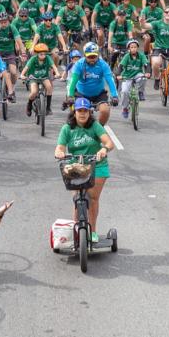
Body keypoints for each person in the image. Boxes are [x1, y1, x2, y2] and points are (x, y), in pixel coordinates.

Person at [54, 98, 115, 244]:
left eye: (85, 111)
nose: (82, 114)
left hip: (96, 164)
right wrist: (60, 153)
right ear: (74, 112)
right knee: (78, 198)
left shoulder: (95, 126)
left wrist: (104, 149)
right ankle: (76, 231)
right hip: (76, 165)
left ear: (89, 112)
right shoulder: (67, 128)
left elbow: (109, 143)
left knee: (92, 198)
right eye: (79, 111)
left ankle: (92, 231)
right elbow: (60, 147)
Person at [65, 42, 119, 126]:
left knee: (105, 110)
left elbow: (110, 80)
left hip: (98, 94)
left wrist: (115, 96)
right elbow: (72, 81)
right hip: (81, 94)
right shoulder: (79, 64)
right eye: (89, 57)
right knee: (75, 112)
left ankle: (99, 129)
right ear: (85, 55)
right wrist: (70, 96)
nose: (92, 59)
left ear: (98, 55)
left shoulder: (103, 65)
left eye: (94, 57)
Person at [21, 43, 62, 116]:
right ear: (37, 54)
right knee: (34, 92)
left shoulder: (48, 58)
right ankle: (29, 105)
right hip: (33, 78)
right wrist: (22, 75)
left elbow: (54, 66)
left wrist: (57, 73)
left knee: (49, 87)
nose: (43, 56)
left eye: (44, 54)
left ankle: (48, 108)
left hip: (44, 77)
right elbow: (26, 67)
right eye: (41, 54)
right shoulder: (33, 59)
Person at [118, 39, 150, 118]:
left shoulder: (141, 55)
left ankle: (140, 92)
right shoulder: (127, 56)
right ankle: (125, 108)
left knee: (143, 78)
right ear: (129, 49)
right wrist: (119, 75)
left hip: (137, 75)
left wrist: (147, 72)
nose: (133, 49)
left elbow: (146, 64)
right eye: (131, 47)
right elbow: (121, 66)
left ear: (137, 48)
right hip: (127, 76)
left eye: (135, 47)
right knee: (124, 92)